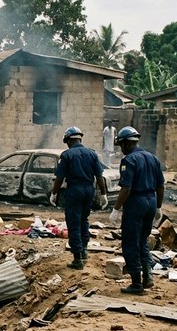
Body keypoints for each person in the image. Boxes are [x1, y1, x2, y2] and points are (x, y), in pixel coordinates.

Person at [109, 126, 165, 295]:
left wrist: (116, 208)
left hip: (136, 203)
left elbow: (126, 188)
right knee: (142, 240)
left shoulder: (129, 161)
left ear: (126, 144)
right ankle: (148, 276)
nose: (121, 149)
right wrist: (158, 206)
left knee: (130, 243)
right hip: (151, 201)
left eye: (121, 145)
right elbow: (161, 185)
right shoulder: (153, 158)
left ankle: (136, 284)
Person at [50, 127, 108, 270]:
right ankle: (84, 251)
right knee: (84, 220)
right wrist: (103, 194)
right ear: (80, 139)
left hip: (74, 190)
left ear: (69, 140)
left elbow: (60, 177)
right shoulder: (92, 154)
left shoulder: (66, 155)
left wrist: (54, 193)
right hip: (89, 190)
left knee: (74, 222)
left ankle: (77, 259)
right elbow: (100, 176)